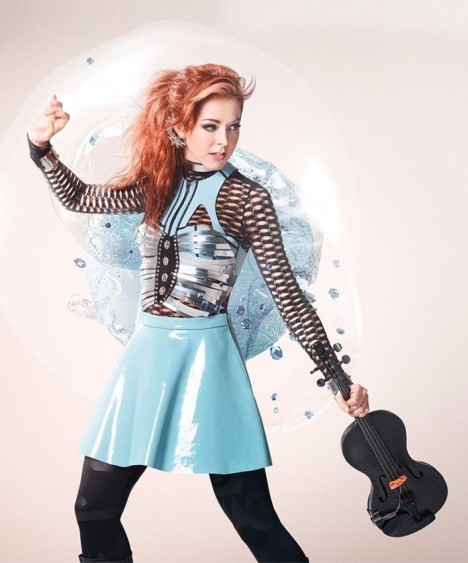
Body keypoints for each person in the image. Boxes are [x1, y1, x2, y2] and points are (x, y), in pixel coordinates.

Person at [27, 63, 369, 563]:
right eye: (210, 126)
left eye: (233, 127)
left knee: (252, 517)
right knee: (93, 509)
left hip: (210, 362)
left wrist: (338, 379)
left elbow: (288, 295)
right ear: (179, 126)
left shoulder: (247, 198)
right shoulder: (156, 185)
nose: (223, 141)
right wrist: (41, 147)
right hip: (146, 358)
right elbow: (79, 197)